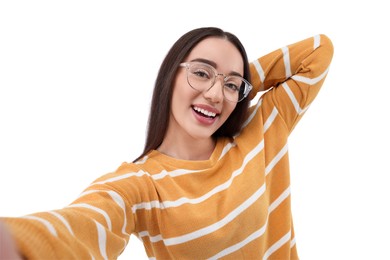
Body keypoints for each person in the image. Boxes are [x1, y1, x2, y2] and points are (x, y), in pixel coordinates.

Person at [0, 27, 334, 259]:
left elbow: (319, 51)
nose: (215, 95)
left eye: (231, 84)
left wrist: (238, 91)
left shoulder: (261, 128)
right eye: (201, 73)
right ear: (169, 75)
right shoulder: (142, 184)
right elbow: (87, 221)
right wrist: (20, 242)